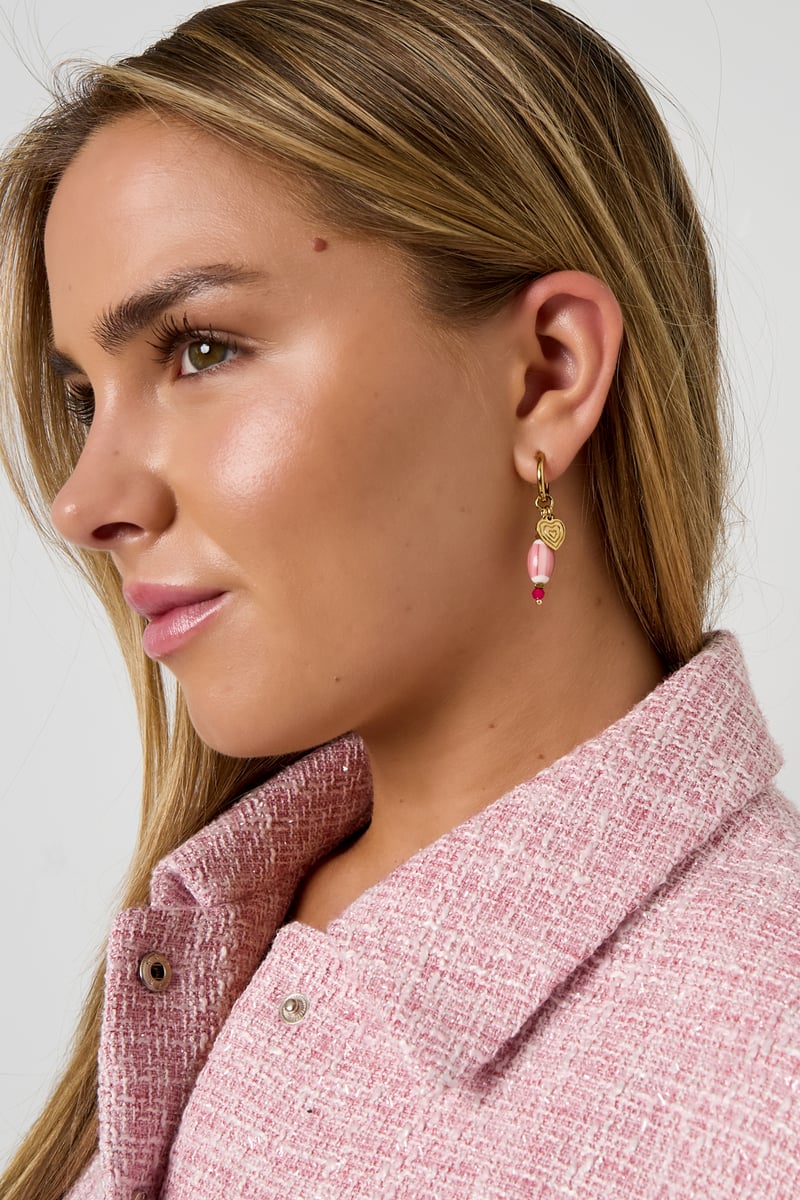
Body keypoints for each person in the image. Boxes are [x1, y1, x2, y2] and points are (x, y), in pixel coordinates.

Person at [0, 0, 797, 1197]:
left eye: (200, 348)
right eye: (83, 399)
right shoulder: (214, 925)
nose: (83, 502)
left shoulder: (764, 1075)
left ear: (546, 375)